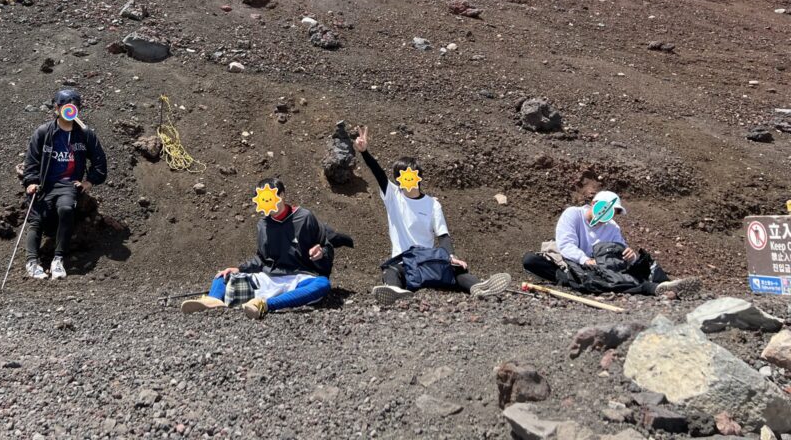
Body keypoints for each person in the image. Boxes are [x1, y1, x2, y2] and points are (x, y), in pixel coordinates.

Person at [353, 126, 511, 306]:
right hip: (404, 262)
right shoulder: (393, 196)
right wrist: (365, 152)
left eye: (409, 176)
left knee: (457, 269)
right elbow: (378, 173)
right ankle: (396, 292)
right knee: (391, 270)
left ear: (418, 177)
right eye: (400, 178)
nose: (404, 181)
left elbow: (443, 235)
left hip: (428, 261)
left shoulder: (433, 204)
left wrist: (451, 255)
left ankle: (479, 287)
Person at [182, 178, 334, 320]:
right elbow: (261, 259)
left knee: (322, 284)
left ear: (282, 195)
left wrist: (321, 253)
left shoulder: (305, 217)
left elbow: (326, 247)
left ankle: (265, 305)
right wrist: (239, 269)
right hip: (268, 278)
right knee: (223, 276)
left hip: (299, 278)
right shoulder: (263, 225)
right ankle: (213, 301)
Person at [521, 191, 700, 297]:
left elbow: (618, 253)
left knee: (612, 275)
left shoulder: (612, 227)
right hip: (575, 262)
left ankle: (654, 287)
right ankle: (649, 288)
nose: (609, 215)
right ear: (594, 204)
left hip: (598, 268)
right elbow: (566, 245)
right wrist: (585, 261)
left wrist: (630, 257)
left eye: (613, 212)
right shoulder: (573, 214)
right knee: (531, 260)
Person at [22, 87, 108, 280]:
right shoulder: (44, 132)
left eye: (75, 106)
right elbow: (31, 160)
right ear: (57, 108)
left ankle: (58, 260)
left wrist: (89, 181)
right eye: (65, 106)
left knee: (66, 210)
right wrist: (31, 181)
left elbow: (100, 161)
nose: (70, 109)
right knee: (37, 219)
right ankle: (32, 262)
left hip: (68, 184)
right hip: (44, 184)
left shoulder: (86, 134)